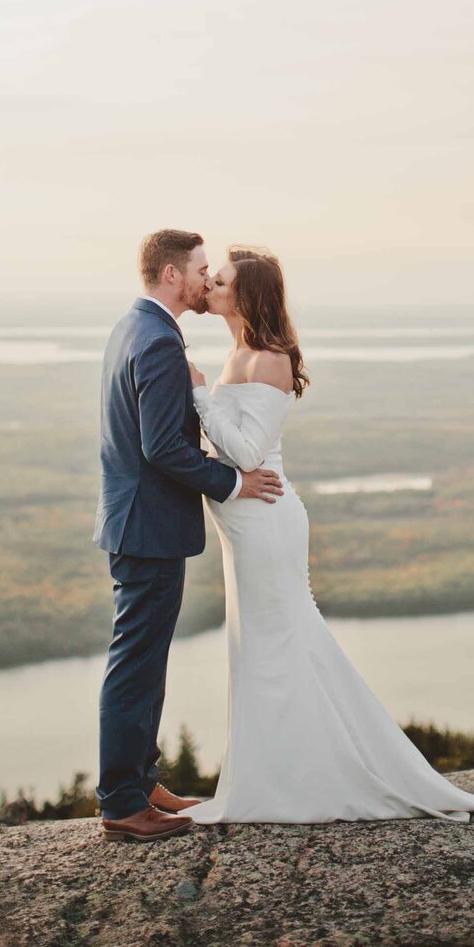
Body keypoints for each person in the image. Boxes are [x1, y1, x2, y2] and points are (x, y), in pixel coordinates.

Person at [185, 245, 474, 824]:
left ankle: (303, 780)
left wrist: (199, 393)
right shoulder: (240, 353)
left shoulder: (268, 359)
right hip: (244, 524)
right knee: (261, 647)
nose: (211, 287)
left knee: (276, 645)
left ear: (246, 294)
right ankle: (277, 775)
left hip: (265, 522)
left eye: (221, 281)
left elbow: (250, 453)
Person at [93, 229, 284, 843]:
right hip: (146, 528)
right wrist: (232, 482)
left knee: (144, 661)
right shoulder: (155, 341)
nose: (207, 278)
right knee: (136, 665)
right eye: (202, 268)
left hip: (139, 522)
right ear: (173, 275)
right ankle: (122, 802)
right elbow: (162, 448)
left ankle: (141, 781)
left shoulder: (137, 327)